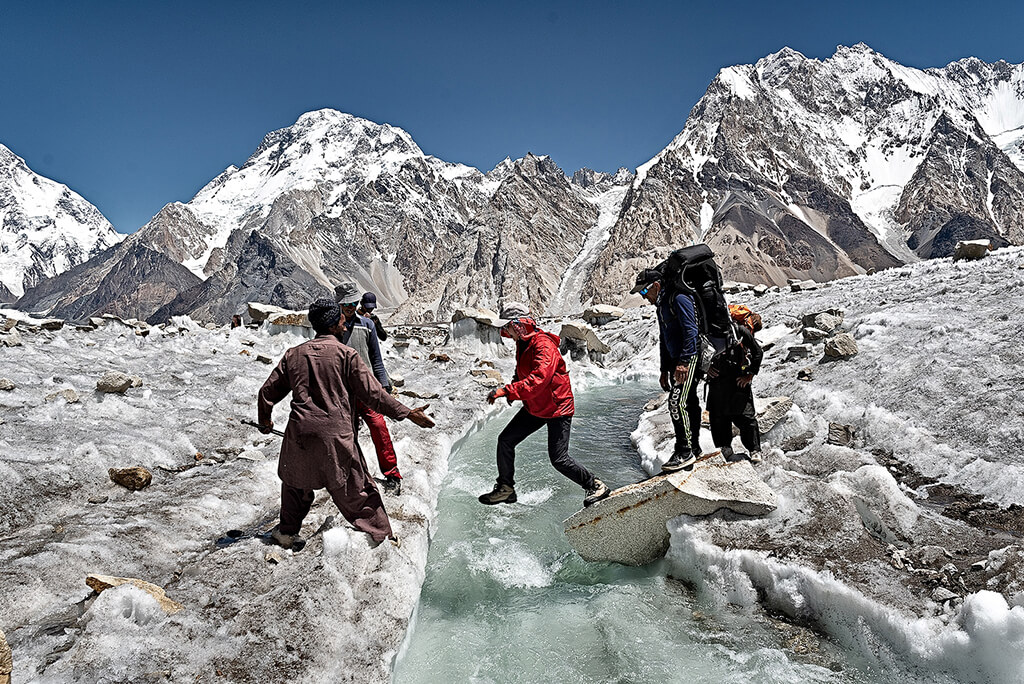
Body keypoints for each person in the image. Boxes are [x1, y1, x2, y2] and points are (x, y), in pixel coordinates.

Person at [257, 298, 434, 549]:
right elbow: (374, 395)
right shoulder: (346, 355)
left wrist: (265, 421)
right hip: (336, 437)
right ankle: (383, 536)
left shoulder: (293, 355)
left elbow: (267, 392)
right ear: (333, 323)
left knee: (296, 486)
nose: (344, 321)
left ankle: (286, 532)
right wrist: (407, 413)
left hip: (299, 435)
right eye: (341, 317)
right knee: (358, 489)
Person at [479, 306, 610, 508]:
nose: (507, 332)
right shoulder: (523, 342)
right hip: (536, 406)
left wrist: (508, 391)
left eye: (509, 327)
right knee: (505, 440)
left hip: (557, 407)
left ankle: (595, 485)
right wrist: (515, 386)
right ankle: (506, 488)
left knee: (559, 459)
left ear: (518, 326)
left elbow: (539, 378)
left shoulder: (543, 345)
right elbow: (522, 371)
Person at [334, 282, 404, 495]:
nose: (350, 307)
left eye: (354, 303)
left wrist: (384, 385)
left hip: (367, 388)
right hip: (343, 391)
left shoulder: (367, 325)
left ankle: (392, 473)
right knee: (347, 433)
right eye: (347, 304)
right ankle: (348, 473)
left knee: (379, 428)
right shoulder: (333, 328)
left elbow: (376, 359)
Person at [631, 268, 703, 472]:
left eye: (644, 293)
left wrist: (685, 362)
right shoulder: (662, 305)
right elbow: (664, 339)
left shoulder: (678, 298)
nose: (644, 298)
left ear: (655, 285)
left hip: (688, 360)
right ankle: (694, 448)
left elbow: (691, 331)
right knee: (689, 402)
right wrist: (664, 369)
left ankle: (684, 450)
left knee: (676, 403)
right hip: (675, 362)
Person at [707, 319, 764, 463]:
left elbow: (757, 352)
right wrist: (705, 368)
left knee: (746, 417)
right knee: (718, 417)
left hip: (738, 379)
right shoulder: (704, 332)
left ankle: (754, 450)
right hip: (717, 381)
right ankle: (725, 448)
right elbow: (696, 353)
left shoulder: (738, 330)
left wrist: (749, 374)